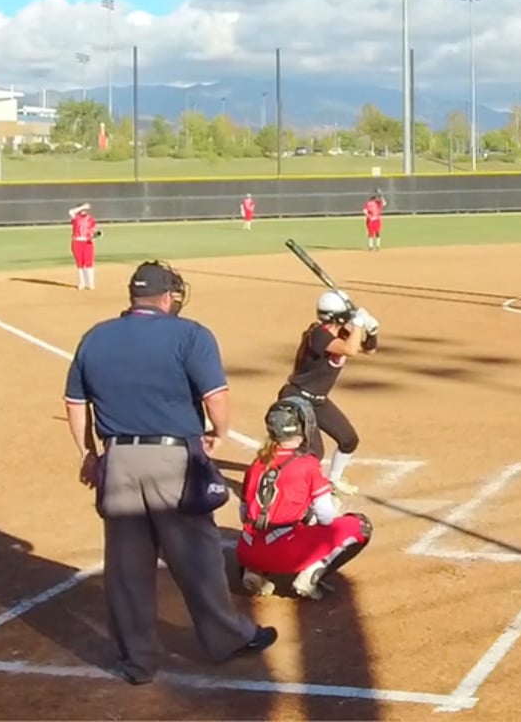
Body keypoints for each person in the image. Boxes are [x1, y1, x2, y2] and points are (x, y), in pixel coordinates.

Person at [62, 260, 276, 684]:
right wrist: (219, 433)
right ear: (166, 297)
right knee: (197, 554)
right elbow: (216, 396)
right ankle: (226, 638)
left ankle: (138, 661)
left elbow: (74, 404)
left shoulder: (96, 336)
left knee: (126, 566)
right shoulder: (190, 334)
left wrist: (89, 454)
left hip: (119, 461)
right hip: (172, 459)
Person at [237, 397, 374, 599]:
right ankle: (310, 576)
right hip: (285, 552)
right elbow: (326, 517)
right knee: (361, 526)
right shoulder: (307, 463)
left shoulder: (257, 463)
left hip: (247, 550)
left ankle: (253, 571)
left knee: (274, 524)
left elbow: (243, 514)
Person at [276, 291, 379, 496]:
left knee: (348, 440)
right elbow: (350, 350)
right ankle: (295, 489)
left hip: (318, 401)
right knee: (314, 452)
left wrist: (372, 331)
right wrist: (358, 323)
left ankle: (334, 480)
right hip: (297, 398)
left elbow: (368, 349)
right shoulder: (318, 335)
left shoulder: (338, 332)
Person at [68, 203, 100, 290]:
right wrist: (82, 207)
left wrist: (95, 234)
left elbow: (94, 229)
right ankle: (82, 283)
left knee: (89, 263)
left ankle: (91, 283)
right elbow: (71, 212)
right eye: (81, 209)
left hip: (87, 242)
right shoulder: (76, 217)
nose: (83, 211)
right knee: (80, 264)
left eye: (85, 209)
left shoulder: (90, 219)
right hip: (77, 242)